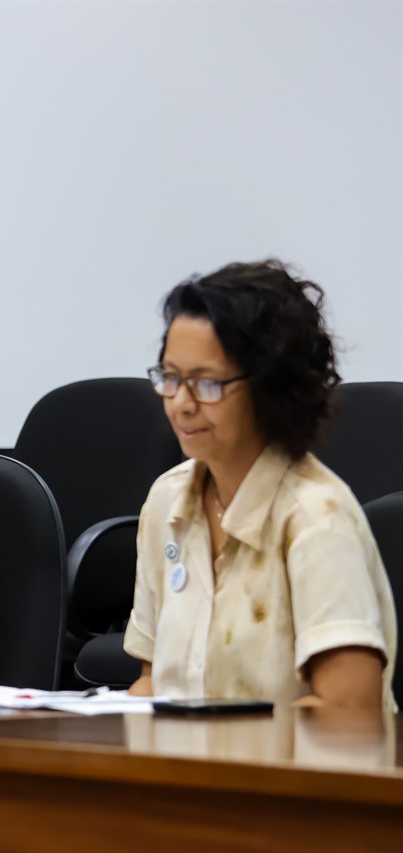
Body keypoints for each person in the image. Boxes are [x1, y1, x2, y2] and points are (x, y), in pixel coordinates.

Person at [126, 260, 395, 709]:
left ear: (272, 386)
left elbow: (348, 713)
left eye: (206, 384)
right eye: (170, 378)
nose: (181, 404)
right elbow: (155, 684)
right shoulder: (167, 499)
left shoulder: (315, 517)